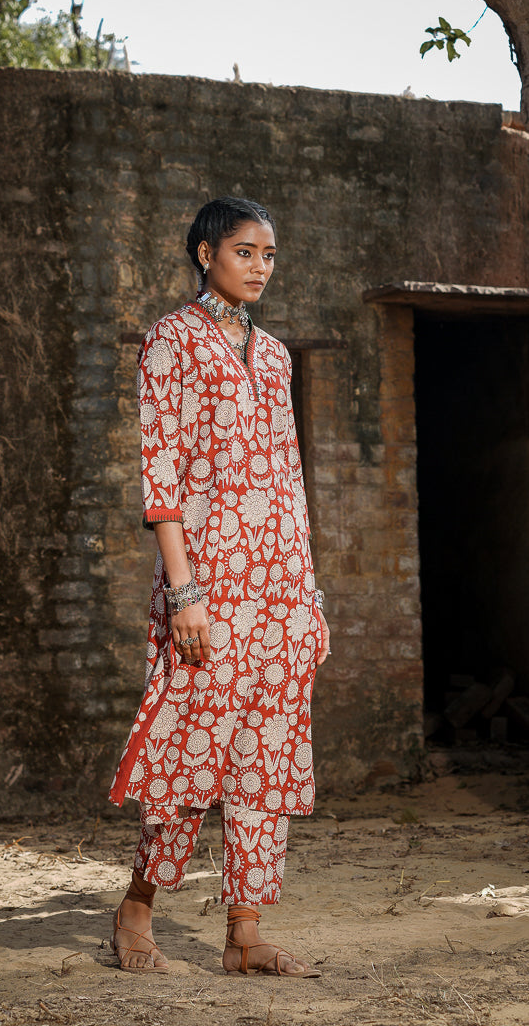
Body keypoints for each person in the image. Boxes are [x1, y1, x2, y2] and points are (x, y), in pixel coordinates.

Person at [107, 197, 330, 977]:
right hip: (207, 586)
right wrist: (183, 592)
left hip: (280, 589)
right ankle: (138, 907)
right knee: (187, 749)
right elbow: (160, 472)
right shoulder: (171, 340)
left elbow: (290, 480)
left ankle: (245, 933)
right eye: (245, 251)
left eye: (268, 254)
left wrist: (310, 600)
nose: (260, 267)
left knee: (267, 753)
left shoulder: (275, 356)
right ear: (206, 254)